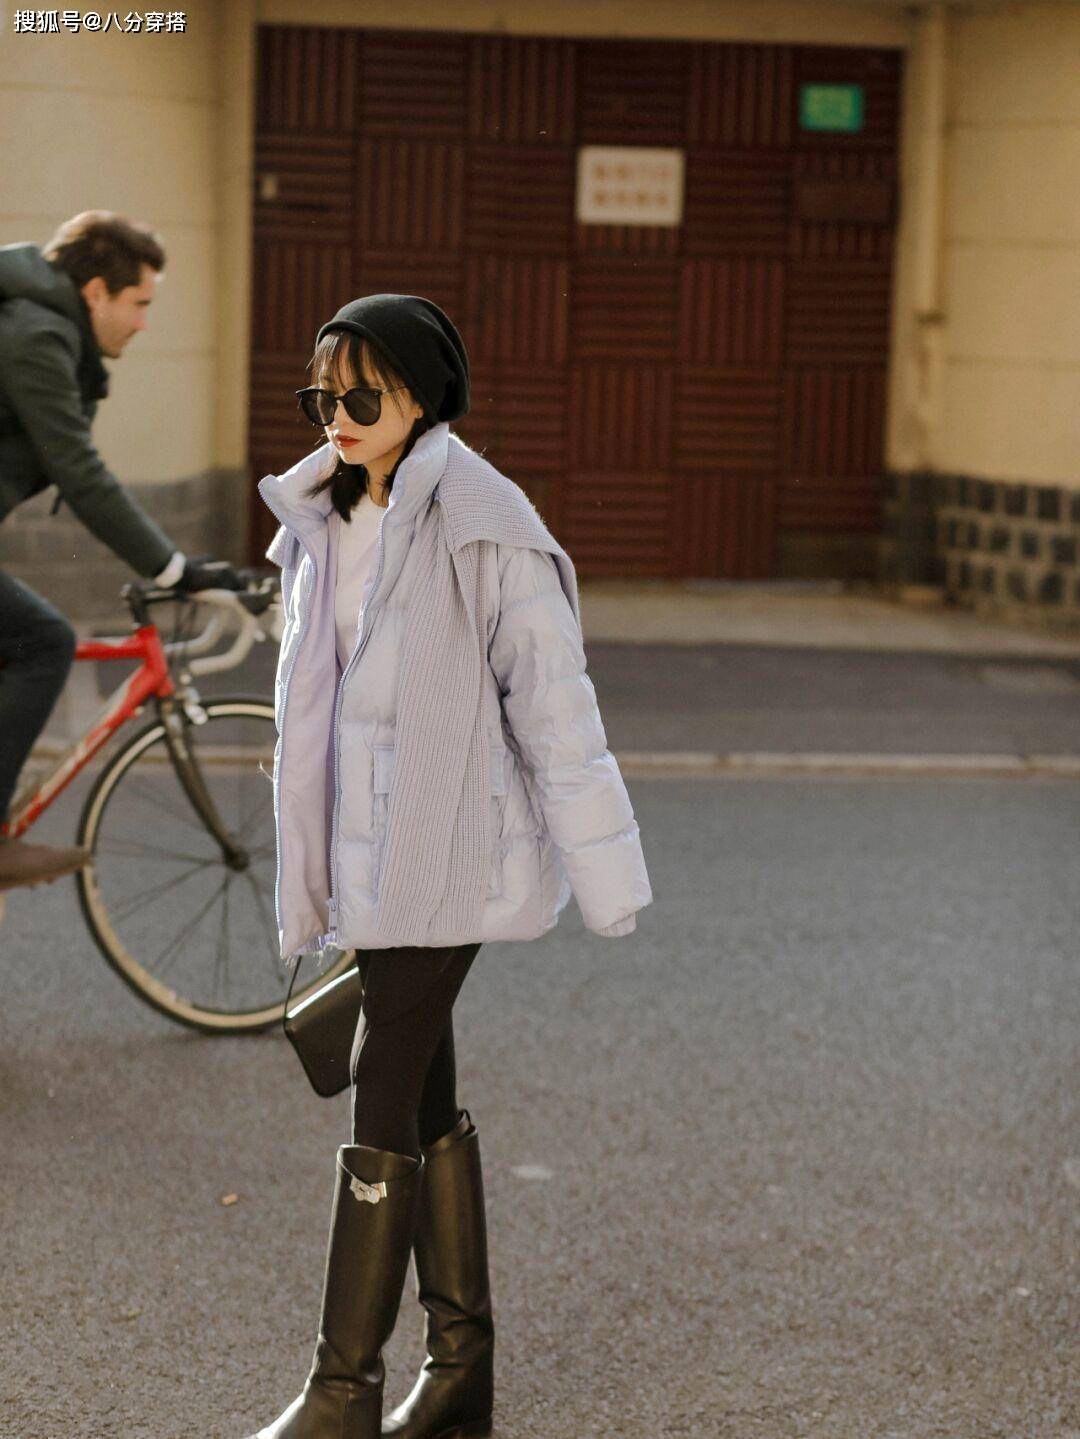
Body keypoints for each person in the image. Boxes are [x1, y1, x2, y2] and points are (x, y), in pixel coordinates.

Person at [246, 294, 652, 1439]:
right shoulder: (322, 515)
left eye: (361, 393)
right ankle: (461, 1368)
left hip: (450, 850)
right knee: (424, 1089)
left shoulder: (484, 516)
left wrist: (605, 870)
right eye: (321, 393)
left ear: (422, 393)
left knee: (383, 1077)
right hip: (371, 859)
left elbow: (554, 701)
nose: (337, 415)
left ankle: (344, 1389)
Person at [0, 211, 244, 890]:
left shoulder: (45, 331)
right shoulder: (35, 337)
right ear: (95, 293)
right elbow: (79, 471)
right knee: (44, 639)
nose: (143, 324)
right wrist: (176, 569)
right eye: (138, 304)